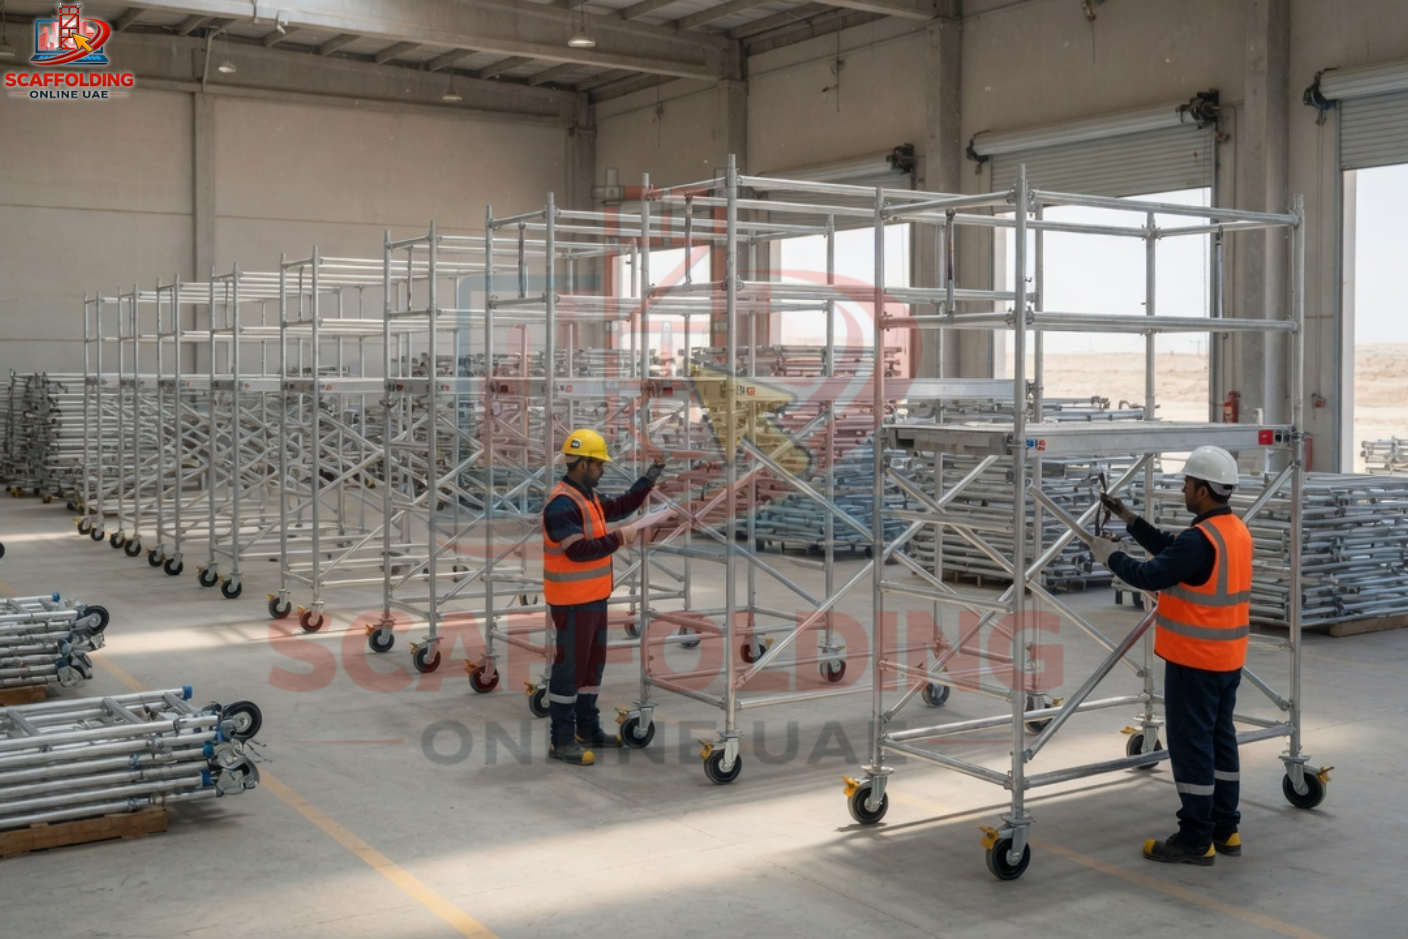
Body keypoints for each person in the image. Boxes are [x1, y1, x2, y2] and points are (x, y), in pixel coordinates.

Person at [1090, 445, 1252, 867]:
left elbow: (1148, 574)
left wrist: (1108, 554)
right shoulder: (1233, 530)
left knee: (1192, 746)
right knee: (1221, 739)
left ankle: (1196, 839)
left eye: (1186, 483)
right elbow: (1169, 546)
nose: (1182, 489)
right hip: (1227, 659)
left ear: (1201, 490)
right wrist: (1129, 520)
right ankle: (1225, 827)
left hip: (1194, 661)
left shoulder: (1201, 541)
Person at [542, 428, 666, 766]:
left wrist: (650, 477)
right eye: (598, 464)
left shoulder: (587, 498)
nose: (603, 469)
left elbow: (621, 506)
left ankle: (587, 729)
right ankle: (562, 740)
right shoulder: (562, 504)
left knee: (591, 668)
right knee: (569, 671)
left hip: (593, 598)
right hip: (571, 602)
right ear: (581, 463)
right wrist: (621, 538)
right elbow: (579, 551)